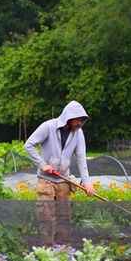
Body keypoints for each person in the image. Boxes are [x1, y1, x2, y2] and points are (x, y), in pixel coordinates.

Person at [24, 100, 95, 246]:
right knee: (47, 217)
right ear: (68, 117)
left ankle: (63, 251)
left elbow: (81, 158)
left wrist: (87, 182)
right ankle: (48, 251)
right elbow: (29, 145)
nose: (80, 122)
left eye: (82, 120)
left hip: (64, 180)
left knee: (64, 217)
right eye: (78, 119)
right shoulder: (48, 127)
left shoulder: (78, 133)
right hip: (46, 181)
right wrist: (42, 165)